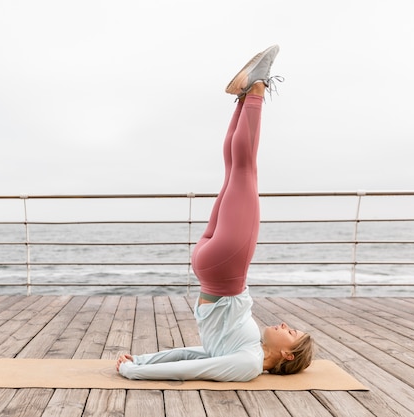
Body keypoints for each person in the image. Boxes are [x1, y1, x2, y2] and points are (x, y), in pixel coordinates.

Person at [116, 45, 315, 382]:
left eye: (291, 332)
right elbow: (197, 353)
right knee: (234, 170)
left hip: (227, 265)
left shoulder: (249, 364)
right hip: (211, 267)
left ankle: (256, 88)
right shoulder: (241, 350)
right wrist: (144, 360)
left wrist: (134, 372)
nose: (285, 324)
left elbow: (195, 368)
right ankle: (244, 97)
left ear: (286, 355)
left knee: (245, 170)